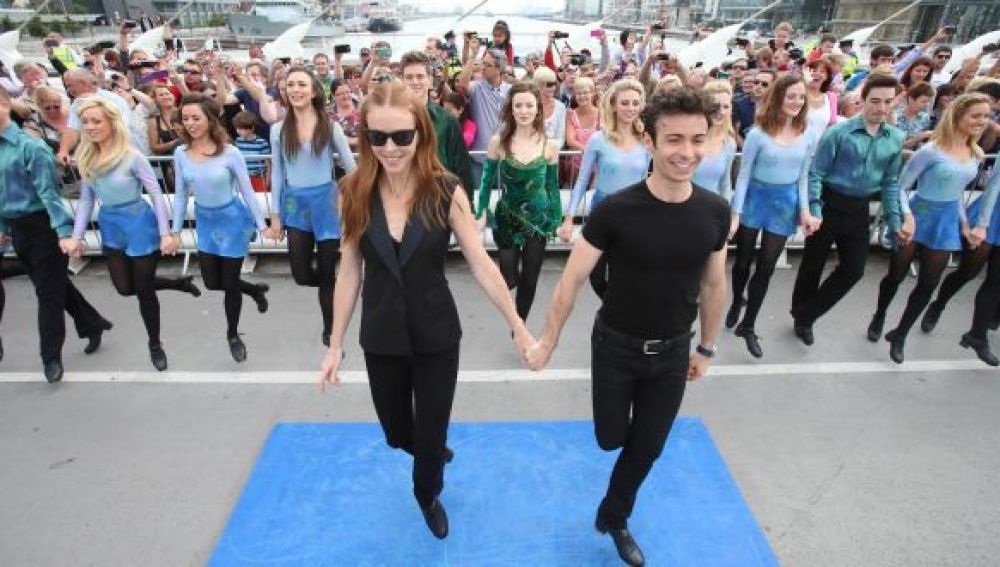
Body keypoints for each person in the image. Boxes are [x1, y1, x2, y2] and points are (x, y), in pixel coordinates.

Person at [318, 82, 535, 539]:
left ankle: (428, 491)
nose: (391, 148)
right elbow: (349, 271)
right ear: (365, 138)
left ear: (420, 133)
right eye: (378, 137)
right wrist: (334, 343)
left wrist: (517, 326)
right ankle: (429, 449)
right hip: (381, 336)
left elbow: (480, 263)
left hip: (437, 334)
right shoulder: (352, 191)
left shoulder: (445, 190)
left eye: (402, 136)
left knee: (431, 435)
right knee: (398, 434)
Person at [525, 88, 729, 567]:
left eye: (698, 140)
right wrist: (548, 343)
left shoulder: (715, 211)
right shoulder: (616, 209)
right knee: (611, 439)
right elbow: (571, 279)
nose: (687, 152)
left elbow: (715, 284)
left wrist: (708, 348)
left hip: (674, 351)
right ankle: (621, 464)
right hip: (616, 347)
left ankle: (614, 516)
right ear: (650, 140)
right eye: (674, 139)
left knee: (648, 447)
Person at [63, 99, 200, 371]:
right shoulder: (85, 157)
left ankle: (155, 344)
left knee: (145, 291)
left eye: (96, 121)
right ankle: (177, 283)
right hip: (111, 225)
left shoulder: (132, 156)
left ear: (111, 123)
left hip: (139, 222)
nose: (89, 127)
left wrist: (165, 233)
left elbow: (157, 195)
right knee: (126, 288)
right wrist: (77, 236)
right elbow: (88, 201)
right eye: (85, 122)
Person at [867, 93, 993, 364]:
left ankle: (899, 334)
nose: (982, 121)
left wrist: (965, 224)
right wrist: (908, 216)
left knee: (928, 284)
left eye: (985, 116)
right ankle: (879, 315)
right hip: (920, 213)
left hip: (946, 221)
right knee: (895, 276)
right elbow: (900, 187)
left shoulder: (976, 152)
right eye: (975, 116)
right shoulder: (930, 151)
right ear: (958, 116)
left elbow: (957, 194)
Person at [0, 87, 111, 383]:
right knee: (55, 285)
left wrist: (65, 233)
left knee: (47, 294)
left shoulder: (32, 148)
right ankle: (92, 322)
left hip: (44, 227)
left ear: (5, 105)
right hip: (15, 227)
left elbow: (49, 195)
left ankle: (50, 358)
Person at [790, 73, 907, 345]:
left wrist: (894, 219)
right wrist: (815, 210)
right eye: (875, 101)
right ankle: (802, 320)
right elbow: (816, 173)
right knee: (812, 265)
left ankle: (806, 313)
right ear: (863, 100)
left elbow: (890, 182)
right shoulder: (838, 133)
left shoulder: (895, 139)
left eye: (888, 102)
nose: (881, 108)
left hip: (858, 209)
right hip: (829, 203)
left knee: (854, 270)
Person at [164, 94, 270, 362]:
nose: (189, 123)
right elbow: (178, 195)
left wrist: (262, 225)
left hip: (233, 221)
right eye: (185, 118)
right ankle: (254, 290)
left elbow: (247, 191)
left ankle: (233, 335)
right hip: (206, 221)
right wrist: (174, 232)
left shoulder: (230, 152)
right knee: (213, 282)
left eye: (195, 117)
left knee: (230, 284)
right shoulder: (180, 153)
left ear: (211, 120)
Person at [727, 74, 820, 358]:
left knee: (766, 267)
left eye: (801, 97)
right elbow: (743, 175)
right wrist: (736, 212)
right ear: (778, 97)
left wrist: (805, 209)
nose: (796, 102)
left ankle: (749, 324)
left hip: (785, 204)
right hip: (755, 199)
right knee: (743, 261)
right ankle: (736, 301)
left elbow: (804, 176)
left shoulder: (808, 134)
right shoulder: (757, 133)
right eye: (791, 96)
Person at [265, 67, 355, 346]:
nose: (295, 89)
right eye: (290, 84)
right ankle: (337, 288)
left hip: (327, 204)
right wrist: (276, 217)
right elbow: (278, 174)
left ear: (314, 90)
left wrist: (347, 200)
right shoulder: (278, 130)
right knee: (301, 275)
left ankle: (330, 329)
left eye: (301, 84)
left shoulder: (331, 127)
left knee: (327, 273)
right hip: (295, 205)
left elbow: (351, 169)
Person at [476, 82, 562, 322]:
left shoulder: (550, 145)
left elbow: (552, 187)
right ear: (511, 109)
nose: (524, 111)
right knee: (510, 278)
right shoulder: (498, 142)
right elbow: (486, 181)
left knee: (530, 278)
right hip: (508, 218)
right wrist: (480, 211)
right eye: (518, 105)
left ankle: (519, 325)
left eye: (529, 105)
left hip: (538, 220)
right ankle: (515, 309)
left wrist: (556, 219)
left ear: (537, 109)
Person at [558, 79, 649, 296]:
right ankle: (612, 309)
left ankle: (617, 317)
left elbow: (646, 179)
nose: (631, 108)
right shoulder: (598, 140)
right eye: (625, 102)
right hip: (602, 210)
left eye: (636, 103)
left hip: (635, 213)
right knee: (596, 275)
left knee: (625, 272)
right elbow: (581, 181)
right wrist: (569, 217)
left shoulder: (647, 140)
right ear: (614, 105)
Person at [399, 52, 475, 200]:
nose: (415, 82)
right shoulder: (391, 119)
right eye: (409, 77)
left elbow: (462, 167)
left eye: (420, 76)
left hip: (440, 197)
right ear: (402, 80)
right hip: (402, 197)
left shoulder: (447, 120)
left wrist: (468, 208)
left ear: (430, 80)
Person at [457, 45, 511, 183]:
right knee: (479, 200)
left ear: (498, 69)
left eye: (487, 65)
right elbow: (462, 85)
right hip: (479, 159)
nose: (482, 68)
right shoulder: (477, 87)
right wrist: (473, 55)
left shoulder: (511, 91)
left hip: (505, 159)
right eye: (482, 64)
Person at [692, 80, 738, 201]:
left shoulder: (729, 143)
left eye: (725, 106)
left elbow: (725, 183)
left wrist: (727, 214)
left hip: (713, 209)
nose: (721, 112)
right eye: (715, 106)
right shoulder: (690, 138)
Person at [233, 110, 270, 193]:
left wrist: (268, 180)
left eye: (242, 129)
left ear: (251, 128)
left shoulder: (262, 143)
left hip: (259, 178)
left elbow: (268, 164)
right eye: (237, 128)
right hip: (243, 178)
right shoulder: (238, 141)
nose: (238, 131)